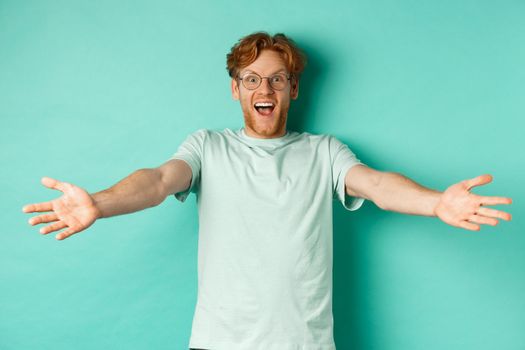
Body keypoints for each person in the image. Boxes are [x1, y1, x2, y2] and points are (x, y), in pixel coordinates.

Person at [22, 32, 512, 350]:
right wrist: (100, 205)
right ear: (235, 89)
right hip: (218, 343)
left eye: (278, 79)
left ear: (293, 89)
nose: (265, 89)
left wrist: (436, 203)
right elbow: (157, 181)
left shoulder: (324, 152)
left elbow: (379, 186)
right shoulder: (207, 147)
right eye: (252, 79)